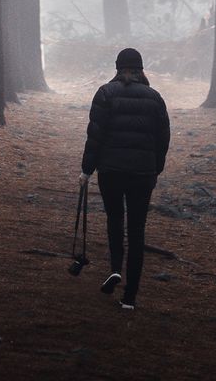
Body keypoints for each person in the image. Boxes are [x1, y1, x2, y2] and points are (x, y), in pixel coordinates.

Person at [78, 47, 171, 311]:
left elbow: (94, 136)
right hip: (143, 173)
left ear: (118, 68)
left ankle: (115, 268)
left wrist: (87, 170)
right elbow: (163, 138)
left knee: (115, 220)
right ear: (141, 69)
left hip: (111, 171)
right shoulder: (155, 98)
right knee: (137, 231)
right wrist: (156, 168)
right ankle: (130, 297)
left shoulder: (105, 94)